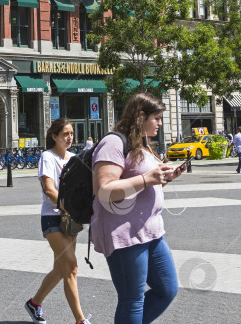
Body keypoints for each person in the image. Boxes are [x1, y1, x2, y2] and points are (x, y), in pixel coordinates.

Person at [91, 93, 186, 324]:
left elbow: (144, 178)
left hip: (152, 232)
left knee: (167, 289)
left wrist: (165, 176)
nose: (160, 123)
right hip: (125, 234)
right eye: (157, 118)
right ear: (141, 116)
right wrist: (147, 179)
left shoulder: (141, 143)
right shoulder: (113, 143)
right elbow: (103, 190)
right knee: (132, 300)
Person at [25, 118, 90, 324]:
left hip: (71, 219)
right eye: (65, 134)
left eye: (71, 133)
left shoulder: (73, 158)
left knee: (61, 269)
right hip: (52, 217)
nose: (69, 137)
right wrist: (67, 205)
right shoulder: (47, 157)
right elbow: (49, 189)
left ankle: (34, 304)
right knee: (71, 266)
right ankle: (80, 320)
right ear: (54, 137)